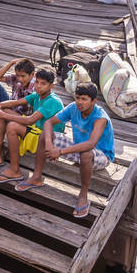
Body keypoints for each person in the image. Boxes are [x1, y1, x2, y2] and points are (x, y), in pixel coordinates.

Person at [36, 82, 115, 218]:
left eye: (84, 99)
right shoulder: (73, 108)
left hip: (100, 155)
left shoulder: (100, 117)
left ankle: (83, 195)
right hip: (78, 148)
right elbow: (48, 123)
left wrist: (59, 152)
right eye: (77, 98)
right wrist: (50, 146)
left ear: (94, 101)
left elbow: (90, 144)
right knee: (45, 134)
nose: (79, 102)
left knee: (86, 153)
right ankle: (36, 177)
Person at [0, 67, 65, 173]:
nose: (38, 86)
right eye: (37, 82)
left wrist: (3, 115)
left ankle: (14, 169)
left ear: (51, 86)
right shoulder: (37, 95)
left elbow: (30, 120)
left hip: (47, 138)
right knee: (4, 110)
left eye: (43, 84)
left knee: (11, 125)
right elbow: (14, 103)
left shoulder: (52, 101)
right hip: (36, 128)